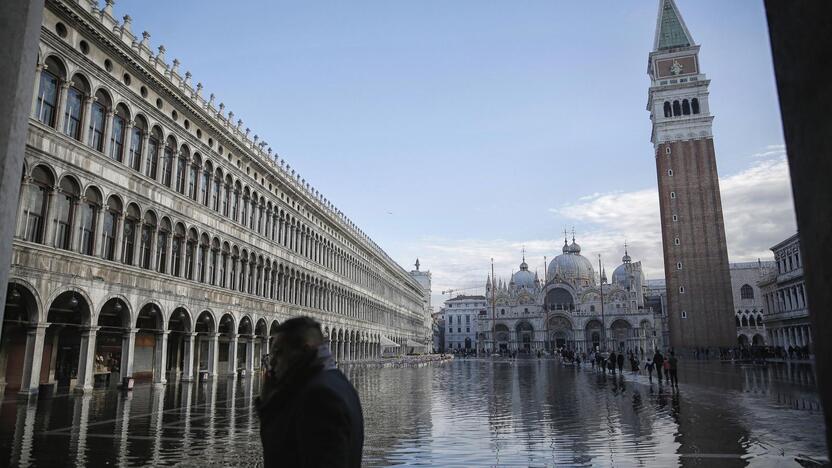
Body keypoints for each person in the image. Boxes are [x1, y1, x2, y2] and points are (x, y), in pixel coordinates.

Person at [257, 316, 364, 468]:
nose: (272, 361)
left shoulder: (320, 396)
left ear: (304, 350)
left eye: (279, 352)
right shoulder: (338, 382)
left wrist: (270, 406)